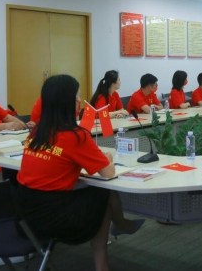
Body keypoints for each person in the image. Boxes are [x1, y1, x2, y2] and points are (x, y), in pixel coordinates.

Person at [16, 75, 143, 271]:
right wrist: (108, 158)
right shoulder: (75, 136)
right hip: (57, 219)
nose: (80, 101)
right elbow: (108, 173)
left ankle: (121, 226)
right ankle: (106, 257)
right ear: (69, 102)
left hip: (25, 216)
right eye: (78, 95)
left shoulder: (36, 132)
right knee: (102, 194)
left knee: (94, 193)